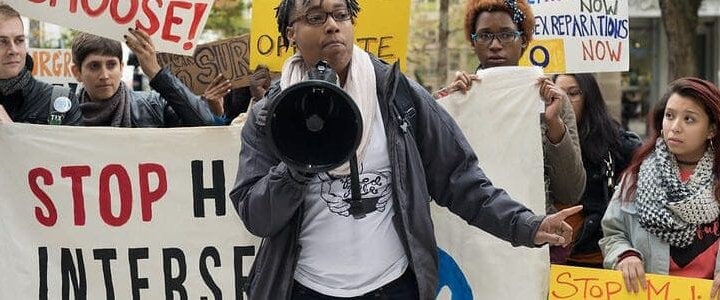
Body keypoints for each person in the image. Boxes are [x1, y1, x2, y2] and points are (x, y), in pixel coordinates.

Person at [229, 0, 582, 299]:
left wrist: (525, 225)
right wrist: (297, 161)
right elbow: (257, 215)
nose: (333, 27)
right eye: (316, 18)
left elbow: (459, 179)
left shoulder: (397, 95)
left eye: (341, 14)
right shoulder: (267, 116)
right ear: (291, 32)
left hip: (394, 286)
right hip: (305, 288)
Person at [0, 2, 83, 298]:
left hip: (45, 270)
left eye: (19, 40)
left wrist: (15, 139)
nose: (14, 49)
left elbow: (76, 187)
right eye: (1, 42)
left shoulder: (60, 103)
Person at [599, 78, 720, 299]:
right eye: (669, 116)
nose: (675, 127)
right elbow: (613, 232)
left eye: (689, 119)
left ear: (712, 130)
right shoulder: (637, 176)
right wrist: (625, 255)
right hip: (651, 294)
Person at [437, 0, 585, 213]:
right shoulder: (458, 97)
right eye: (485, 35)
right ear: (473, 43)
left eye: (506, 35)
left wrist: (554, 124)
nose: (495, 45)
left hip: (535, 232)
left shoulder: (552, 100)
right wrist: (449, 104)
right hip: (474, 234)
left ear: (523, 40)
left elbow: (571, 192)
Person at [549, 73, 641, 267]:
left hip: (597, 260)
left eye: (573, 94)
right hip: (553, 256)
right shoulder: (540, 137)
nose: (564, 101)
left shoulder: (618, 145)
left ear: (589, 98)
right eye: (557, 94)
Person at [71, 31, 214, 127]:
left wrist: (156, 72)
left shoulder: (153, 106)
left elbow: (205, 123)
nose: (104, 75)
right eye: (94, 66)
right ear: (77, 73)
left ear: (121, 68)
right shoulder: (65, 115)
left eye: (111, 65)